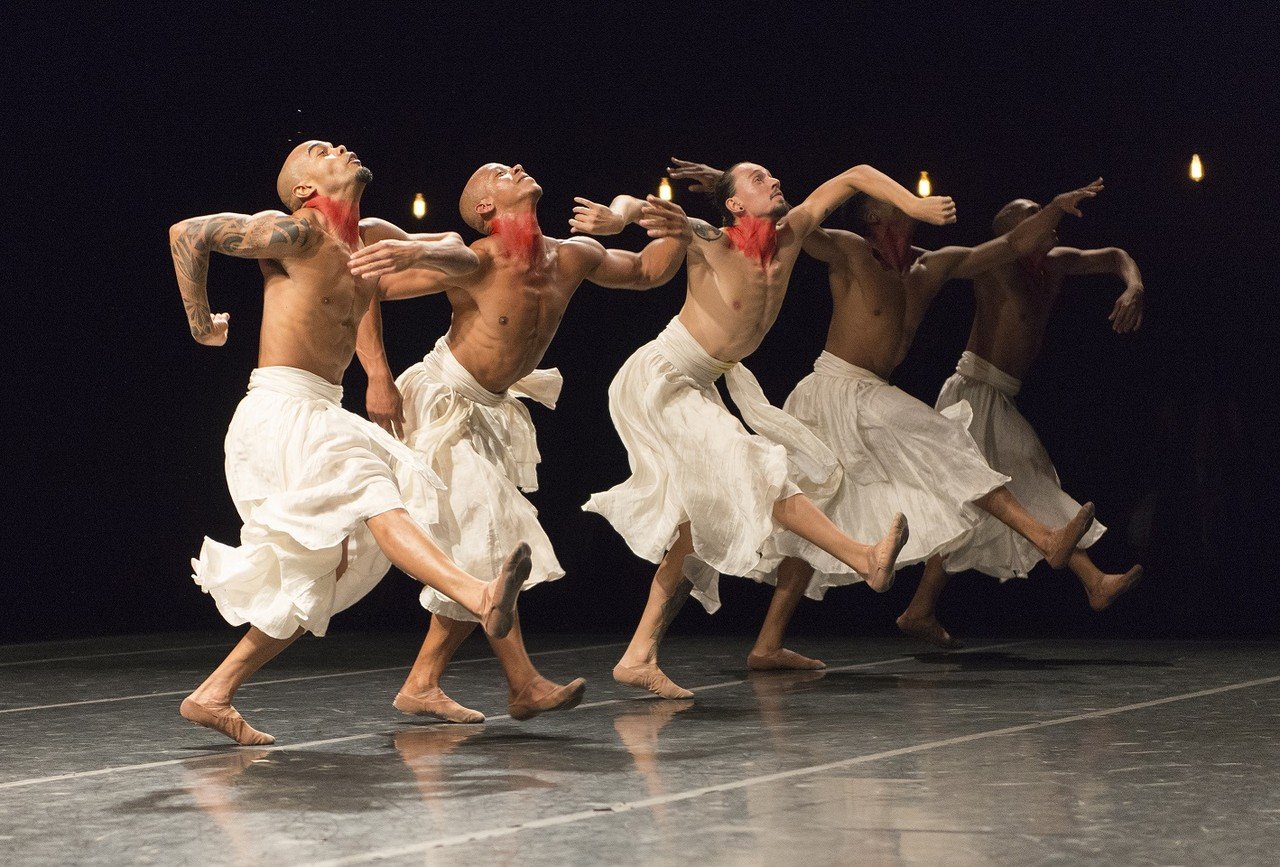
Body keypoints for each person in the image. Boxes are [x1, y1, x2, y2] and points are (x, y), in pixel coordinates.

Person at [168, 141, 529, 745]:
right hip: (281, 411)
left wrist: (416, 249)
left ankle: (213, 693)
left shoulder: (368, 237)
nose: (338, 146)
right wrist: (203, 324)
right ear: (306, 189)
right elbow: (189, 231)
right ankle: (476, 592)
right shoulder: (295, 235)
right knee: (372, 487)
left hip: (323, 410)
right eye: (319, 149)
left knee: (319, 571)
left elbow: (463, 256)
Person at [583, 158, 957, 698]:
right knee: (757, 468)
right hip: (660, 381)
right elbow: (641, 208)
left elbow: (851, 175)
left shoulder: (791, 237)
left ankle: (638, 654)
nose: (776, 180)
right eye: (758, 179)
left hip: (704, 384)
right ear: (735, 204)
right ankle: (862, 556)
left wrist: (913, 205)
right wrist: (616, 220)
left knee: (697, 523)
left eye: (773, 175)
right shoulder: (712, 238)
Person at [346, 162, 693, 721]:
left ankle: (424, 683)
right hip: (441, 401)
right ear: (486, 207)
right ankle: (522, 683)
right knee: (489, 532)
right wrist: (378, 376)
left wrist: (674, 230)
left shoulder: (572, 255)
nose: (518, 167)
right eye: (499, 173)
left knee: (478, 545)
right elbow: (365, 286)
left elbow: (647, 273)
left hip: (491, 410)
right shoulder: (474, 259)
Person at [902, 196, 1146, 643]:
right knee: (1025, 480)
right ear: (1012, 231)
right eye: (1031, 214)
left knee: (979, 500)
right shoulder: (995, 265)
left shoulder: (1054, 265)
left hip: (1000, 398)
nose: (1045, 221)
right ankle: (1093, 580)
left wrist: (1134, 286)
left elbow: (1115, 256)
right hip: (971, 394)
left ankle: (919, 609)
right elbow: (942, 262)